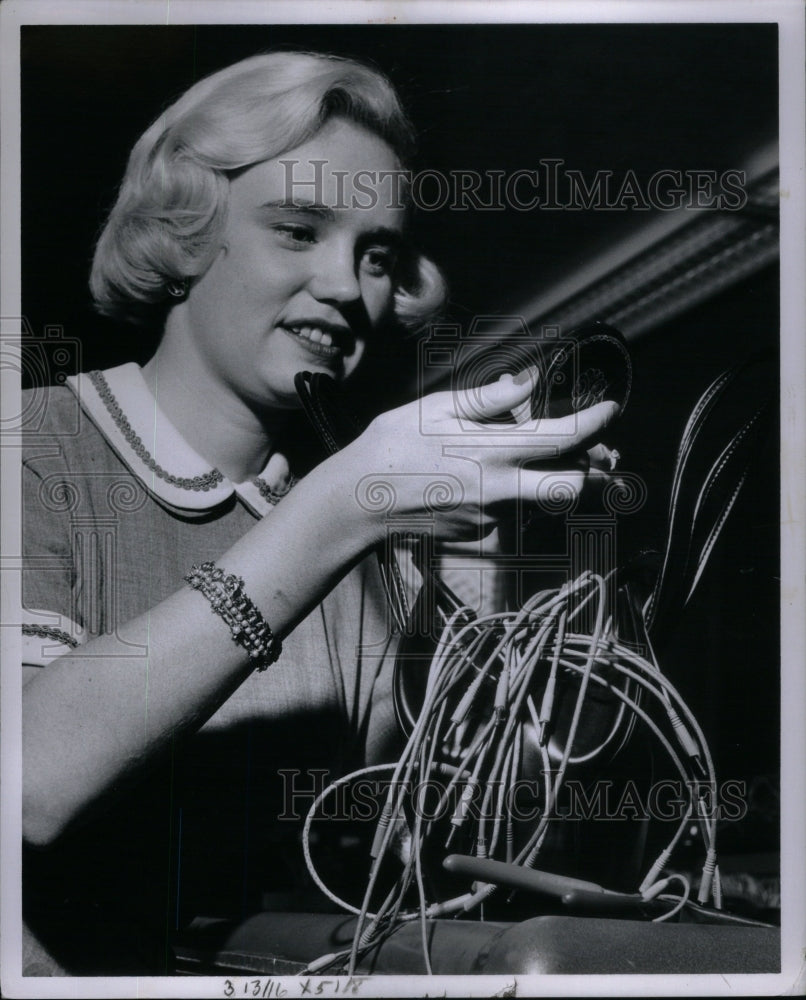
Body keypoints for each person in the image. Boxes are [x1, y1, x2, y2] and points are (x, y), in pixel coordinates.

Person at [20, 50, 617, 975]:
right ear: (185, 235)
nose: (348, 286)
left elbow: (412, 846)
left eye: (375, 254)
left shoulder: (362, 539)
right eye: (299, 230)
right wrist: (339, 510)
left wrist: (531, 582)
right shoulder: (37, 443)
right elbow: (27, 781)